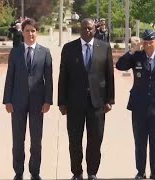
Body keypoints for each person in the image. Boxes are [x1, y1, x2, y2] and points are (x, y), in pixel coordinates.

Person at [58, 18, 115, 180]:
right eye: (84, 28)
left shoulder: (104, 48)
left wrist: (110, 100)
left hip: (97, 103)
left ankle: (92, 172)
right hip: (74, 103)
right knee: (75, 140)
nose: (87, 31)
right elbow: (63, 76)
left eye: (90, 28)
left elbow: (109, 75)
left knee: (95, 140)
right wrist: (62, 102)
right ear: (80, 29)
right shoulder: (69, 48)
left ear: (95, 30)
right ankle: (77, 173)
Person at [116, 29, 155, 180]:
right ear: (142, 43)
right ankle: (140, 172)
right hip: (139, 105)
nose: (148, 45)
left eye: (151, 42)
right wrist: (132, 50)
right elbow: (120, 66)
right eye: (146, 42)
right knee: (140, 141)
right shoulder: (137, 57)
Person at [3, 18, 53, 180]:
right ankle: (18, 172)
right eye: (27, 31)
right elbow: (10, 77)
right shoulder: (15, 52)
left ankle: (35, 172)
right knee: (18, 140)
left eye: (33, 31)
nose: (30, 33)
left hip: (38, 103)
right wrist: (7, 100)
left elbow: (49, 79)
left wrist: (48, 100)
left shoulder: (45, 52)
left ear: (36, 32)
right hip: (17, 102)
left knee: (36, 140)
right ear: (22, 33)